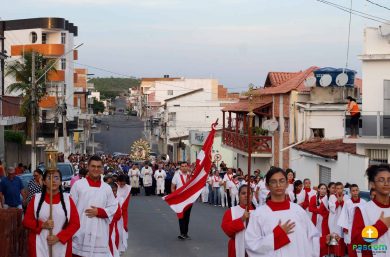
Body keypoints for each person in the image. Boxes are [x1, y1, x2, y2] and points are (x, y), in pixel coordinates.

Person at [245, 167, 320, 257]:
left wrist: (325, 241)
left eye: (281, 181)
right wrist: (278, 235)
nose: (278, 185)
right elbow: (252, 246)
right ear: (267, 186)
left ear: (287, 184)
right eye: (273, 182)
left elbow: (312, 238)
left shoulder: (298, 211)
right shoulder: (258, 214)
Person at [23, 169, 80, 257]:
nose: (53, 180)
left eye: (56, 178)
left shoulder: (68, 200)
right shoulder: (36, 199)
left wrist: (59, 237)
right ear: (44, 182)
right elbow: (26, 221)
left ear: (61, 182)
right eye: (50, 178)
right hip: (39, 245)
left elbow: (75, 224)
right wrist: (42, 225)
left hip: (61, 246)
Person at [71, 155, 118, 257]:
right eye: (93, 166)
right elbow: (71, 209)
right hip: (81, 232)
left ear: (102, 169)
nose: (96, 169)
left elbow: (113, 208)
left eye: (98, 167)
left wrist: (99, 212)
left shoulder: (106, 188)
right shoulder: (78, 185)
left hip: (100, 234)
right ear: (88, 167)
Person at [351, 164, 390, 257]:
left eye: (389, 179)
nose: (386, 183)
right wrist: (380, 226)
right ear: (372, 184)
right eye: (381, 180)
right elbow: (356, 242)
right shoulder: (363, 210)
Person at [221, 185, 255, 257]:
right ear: (239, 195)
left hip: (254, 249)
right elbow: (227, 230)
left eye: (249, 193)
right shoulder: (231, 211)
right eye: (243, 193)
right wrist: (242, 219)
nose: (246, 195)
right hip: (236, 248)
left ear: (252, 195)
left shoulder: (258, 212)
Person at [337, 184, 367, 257]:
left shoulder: (364, 202)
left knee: (362, 248)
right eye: (353, 191)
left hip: (362, 228)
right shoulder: (347, 203)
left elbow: (367, 216)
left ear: (359, 191)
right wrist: (345, 227)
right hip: (350, 228)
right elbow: (344, 215)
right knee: (352, 248)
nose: (355, 192)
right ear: (350, 192)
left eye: (356, 190)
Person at [171, 161, 191, 240]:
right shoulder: (176, 175)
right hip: (180, 199)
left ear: (188, 167)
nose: (184, 167)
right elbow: (172, 187)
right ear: (180, 167)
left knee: (187, 217)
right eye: (182, 166)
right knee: (181, 216)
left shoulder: (190, 175)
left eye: (185, 166)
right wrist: (175, 196)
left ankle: (185, 233)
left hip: (189, 199)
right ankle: (182, 233)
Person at [328, 182, 348, 256]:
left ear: (343, 189)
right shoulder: (332, 197)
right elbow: (332, 208)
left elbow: (347, 209)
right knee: (334, 238)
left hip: (342, 221)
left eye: (341, 188)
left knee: (342, 239)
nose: (339, 190)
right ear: (335, 189)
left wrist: (342, 201)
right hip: (333, 221)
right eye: (337, 188)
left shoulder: (346, 197)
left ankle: (341, 254)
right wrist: (338, 201)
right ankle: (334, 254)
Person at [116, 174, 131, 253]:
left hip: (122, 212)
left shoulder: (128, 188)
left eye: (123, 183)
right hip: (114, 211)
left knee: (122, 229)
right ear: (117, 181)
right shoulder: (114, 186)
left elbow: (126, 203)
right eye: (120, 183)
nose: (121, 185)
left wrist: (121, 211)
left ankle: (121, 247)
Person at [108, 183, 122, 257]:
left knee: (113, 243)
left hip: (112, 226)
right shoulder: (104, 200)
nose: (114, 193)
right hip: (104, 226)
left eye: (115, 191)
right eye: (112, 191)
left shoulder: (116, 201)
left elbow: (118, 215)